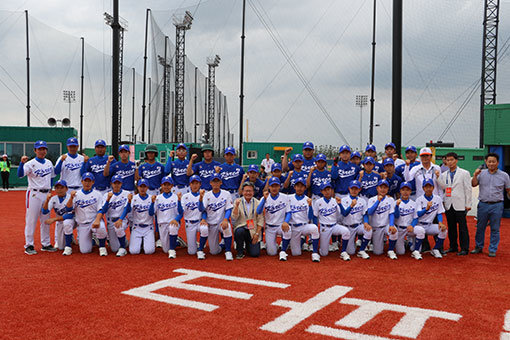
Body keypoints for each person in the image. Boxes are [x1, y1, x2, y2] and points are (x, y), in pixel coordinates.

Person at [18, 140, 57, 255]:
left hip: (46, 194)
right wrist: (21, 163)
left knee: (45, 219)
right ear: (35, 150)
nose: (42, 151)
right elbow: (20, 175)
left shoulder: (49, 163)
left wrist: (51, 188)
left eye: (44, 149)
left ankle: (45, 244)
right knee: (31, 220)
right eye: (39, 149)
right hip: (34, 194)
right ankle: (29, 245)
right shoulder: (30, 163)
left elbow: (52, 176)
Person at [471, 153, 510, 257]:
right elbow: (473, 184)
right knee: (480, 227)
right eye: (489, 161)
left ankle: (492, 249)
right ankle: (478, 247)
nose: (491, 164)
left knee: (495, 229)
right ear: (486, 162)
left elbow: (508, 190)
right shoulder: (481, 174)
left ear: (497, 162)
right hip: (483, 204)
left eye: (494, 161)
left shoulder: (504, 176)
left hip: (497, 205)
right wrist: (475, 175)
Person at [435, 152, 472, 255]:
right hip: (449, 204)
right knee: (451, 227)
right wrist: (438, 178)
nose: (450, 162)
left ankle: (464, 248)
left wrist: (468, 204)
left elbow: (468, 189)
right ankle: (453, 246)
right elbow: (443, 188)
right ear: (445, 161)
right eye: (448, 160)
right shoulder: (444, 174)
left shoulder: (464, 173)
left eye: (452, 160)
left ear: (456, 160)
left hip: (460, 204)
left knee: (462, 227)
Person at [63, 172, 108, 256]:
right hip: (82, 223)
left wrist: (97, 220)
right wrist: (71, 198)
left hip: (93, 221)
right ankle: (92, 239)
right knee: (85, 250)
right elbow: (68, 209)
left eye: (89, 181)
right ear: (82, 181)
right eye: (85, 181)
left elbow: (100, 210)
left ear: (93, 182)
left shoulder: (97, 194)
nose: (87, 183)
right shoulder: (76, 194)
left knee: (101, 228)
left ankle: (102, 247)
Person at [408, 179, 447, 260]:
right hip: (419, 224)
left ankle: (435, 249)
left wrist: (440, 222)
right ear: (423, 188)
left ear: (433, 188)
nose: (428, 188)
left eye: (430, 186)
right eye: (426, 187)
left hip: (429, 225)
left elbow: (439, 213)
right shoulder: (419, 199)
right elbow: (418, 214)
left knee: (443, 230)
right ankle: (416, 251)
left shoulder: (437, 199)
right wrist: (426, 209)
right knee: (421, 231)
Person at [198, 173, 234, 260]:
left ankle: (228, 251)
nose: (216, 183)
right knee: (214, 252)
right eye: (214, 181)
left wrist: (226, 219)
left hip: (221, 222)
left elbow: (228, 209)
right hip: (211, 224)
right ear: (210, 183)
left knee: (227, 227)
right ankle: (222, 245)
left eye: (217, 181)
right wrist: (200, 200)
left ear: (221, 182)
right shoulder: (207, 195)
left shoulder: (226, 194)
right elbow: (202, 209)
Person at [116, 178, 156, 255]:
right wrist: (121, 219)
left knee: (149, 251)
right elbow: (127, 210)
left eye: (144, 186)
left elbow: (151, 213)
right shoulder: (133, 198)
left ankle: (144, 242)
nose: (142, 188)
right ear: (137, 187)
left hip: (148, 227)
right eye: (141, 186)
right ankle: (140, 242)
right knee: (133, 251)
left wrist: (152, 203)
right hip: (136, 227)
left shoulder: (151, 198)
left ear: (147, 187)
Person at [256, 177, 292, 261]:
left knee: (288, 229)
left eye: (276, 186)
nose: (274, 188)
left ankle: (283, 250)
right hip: (269, 227)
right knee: (271, 253)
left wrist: (286, 222)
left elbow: (289, 212)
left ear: (279, 186)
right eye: (272, 186)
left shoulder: (285, 197)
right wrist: (264, 199)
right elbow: (258, 211)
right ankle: (273, 244)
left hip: (280, 225)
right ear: (269, 187)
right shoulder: (265, 197)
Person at [94, 175, 130, 257]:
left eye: (118, 183)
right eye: (115, 183)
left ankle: (123, 248)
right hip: (111, 221)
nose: (116, 185)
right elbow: (103, 210)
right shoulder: (106, 195)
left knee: (119, 227)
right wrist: (107, 200)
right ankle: (123, 240)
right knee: (114, 249)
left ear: (121, 183)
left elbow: (127, 209)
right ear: (111, 183)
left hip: (122, 220)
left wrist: (120, 219)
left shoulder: (126, 193)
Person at [313, 182, 351, 260]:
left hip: (334, 226)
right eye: (325, 190)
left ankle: (343, 251)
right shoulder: (318, 202)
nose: (327, 191)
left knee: (346, 231)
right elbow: (315, 216)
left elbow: (344, 213)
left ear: (331, 190)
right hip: (324, 227)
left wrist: (340, 204)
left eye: (328, 189)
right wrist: (316, 227)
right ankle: (323, 247)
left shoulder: (335, 201)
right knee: (324, 254)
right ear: (321, 191)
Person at [286, 177, 320, 262]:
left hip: (304, 226)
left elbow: (310, 217)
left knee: (314, 228)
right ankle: (302, 240)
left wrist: (310, 206)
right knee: (296, 253)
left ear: (305, 188)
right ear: (294, 187)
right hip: (293, 228)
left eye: (302, 186)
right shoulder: (288, 198)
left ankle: (315, 253)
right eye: (298, 186)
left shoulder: (307, 199)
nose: (300, 188)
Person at [337, 180, 372, 259]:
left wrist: (366, 223)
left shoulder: (362, 200)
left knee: (368, 230)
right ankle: (346, 249)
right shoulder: (344, 200)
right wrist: (351, 206)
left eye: (356, 189)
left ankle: (362, 250)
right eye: (352, 188)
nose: (354, 190)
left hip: (358, 226)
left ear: (359, 189)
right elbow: (344, 213)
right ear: (349, 189)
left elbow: (364, 214)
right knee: (351, 252)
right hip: (347, 227)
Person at [232, 182, 264, 259]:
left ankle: (248, 246)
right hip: (241, 227)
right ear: (242, 192)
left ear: (253, 192)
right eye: (246, 191)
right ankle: (240, 251)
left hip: (253, 230)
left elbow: (260, 220)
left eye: (250, 191)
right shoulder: (237, 201)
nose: (248, 193)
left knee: (255, 254)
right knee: (239, 231)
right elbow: (234, 217)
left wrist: (257, 234)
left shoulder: (257, 202)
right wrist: (236, 206)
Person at [153, 176, 183, 259]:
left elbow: (181, 213)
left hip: (173, 222)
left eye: (168, 184)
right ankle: (178, 241)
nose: (166, 186)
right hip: (162, 224)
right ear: (161, 185)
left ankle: (173, 250)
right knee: (165, 250)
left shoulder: (176, 197)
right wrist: (152, 203)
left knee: (172, 228)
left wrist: (176, 219)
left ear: (172, 186)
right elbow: (152, 213)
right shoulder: (158, 198)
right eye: (164, 184)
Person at [366, 180, 397, 258]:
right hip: (376, 227)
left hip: (386, 225)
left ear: (387, 189)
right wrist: (377, 202)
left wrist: (391, 225)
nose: (383, 189)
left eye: (385, 188)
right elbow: (370, 212)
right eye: (381, 187)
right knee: (377, 253)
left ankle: (390, 250)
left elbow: (391, 214)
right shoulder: (371, 200)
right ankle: (380, 242)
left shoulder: (391, 199)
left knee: (394, 231)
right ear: (377, 188)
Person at [181, 175, 207, 258]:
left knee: (204, 228)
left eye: (197, 183)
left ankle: (201, 249)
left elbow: (203, 210)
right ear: (190, 184)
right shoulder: (185, 196)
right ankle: (180, 241)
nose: (195, 185)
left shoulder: (204, 195)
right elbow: (181, 211)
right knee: (191, 252)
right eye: (193, 183)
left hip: (199, 221)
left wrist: (204, 219)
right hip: (189, 223)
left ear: (200, 184)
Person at [42, 180, 70, 250]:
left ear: (66, 189)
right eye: (57, 188)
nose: (59, 190)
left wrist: (54, 219)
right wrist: (47, 200)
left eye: (61, 188)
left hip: (74, 221)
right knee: (60, 247)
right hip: (61, 222)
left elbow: (71, 215)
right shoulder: (53, 198)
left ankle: (70, 240)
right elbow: (45, 211)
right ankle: (68, 236)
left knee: (67, 223)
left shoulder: (70, 198)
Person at [393, 182, 418, 255]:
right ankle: (404, 242)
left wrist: (412, 225)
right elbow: (396, 216)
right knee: (400, 253)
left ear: (410, 191)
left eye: (407, 190)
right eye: (403, 190)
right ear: (400, 191)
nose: (405, 192)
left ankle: (410, 242)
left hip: (410, 229)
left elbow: (416, 218)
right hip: (400, 229)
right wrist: (397, 206)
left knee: (420, 231)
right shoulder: (395, 202)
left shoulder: (414, 203)